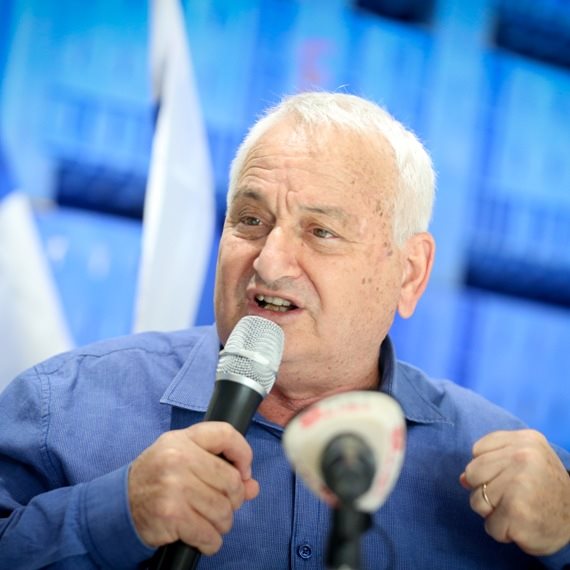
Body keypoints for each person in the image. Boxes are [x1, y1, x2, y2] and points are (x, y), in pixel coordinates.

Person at [0, 92, 569, 570]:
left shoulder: (506, 466)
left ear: (410, 273)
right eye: (250, 221)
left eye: (321, 232)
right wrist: (114, 517)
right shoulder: (59, 407)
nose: (269, 263)